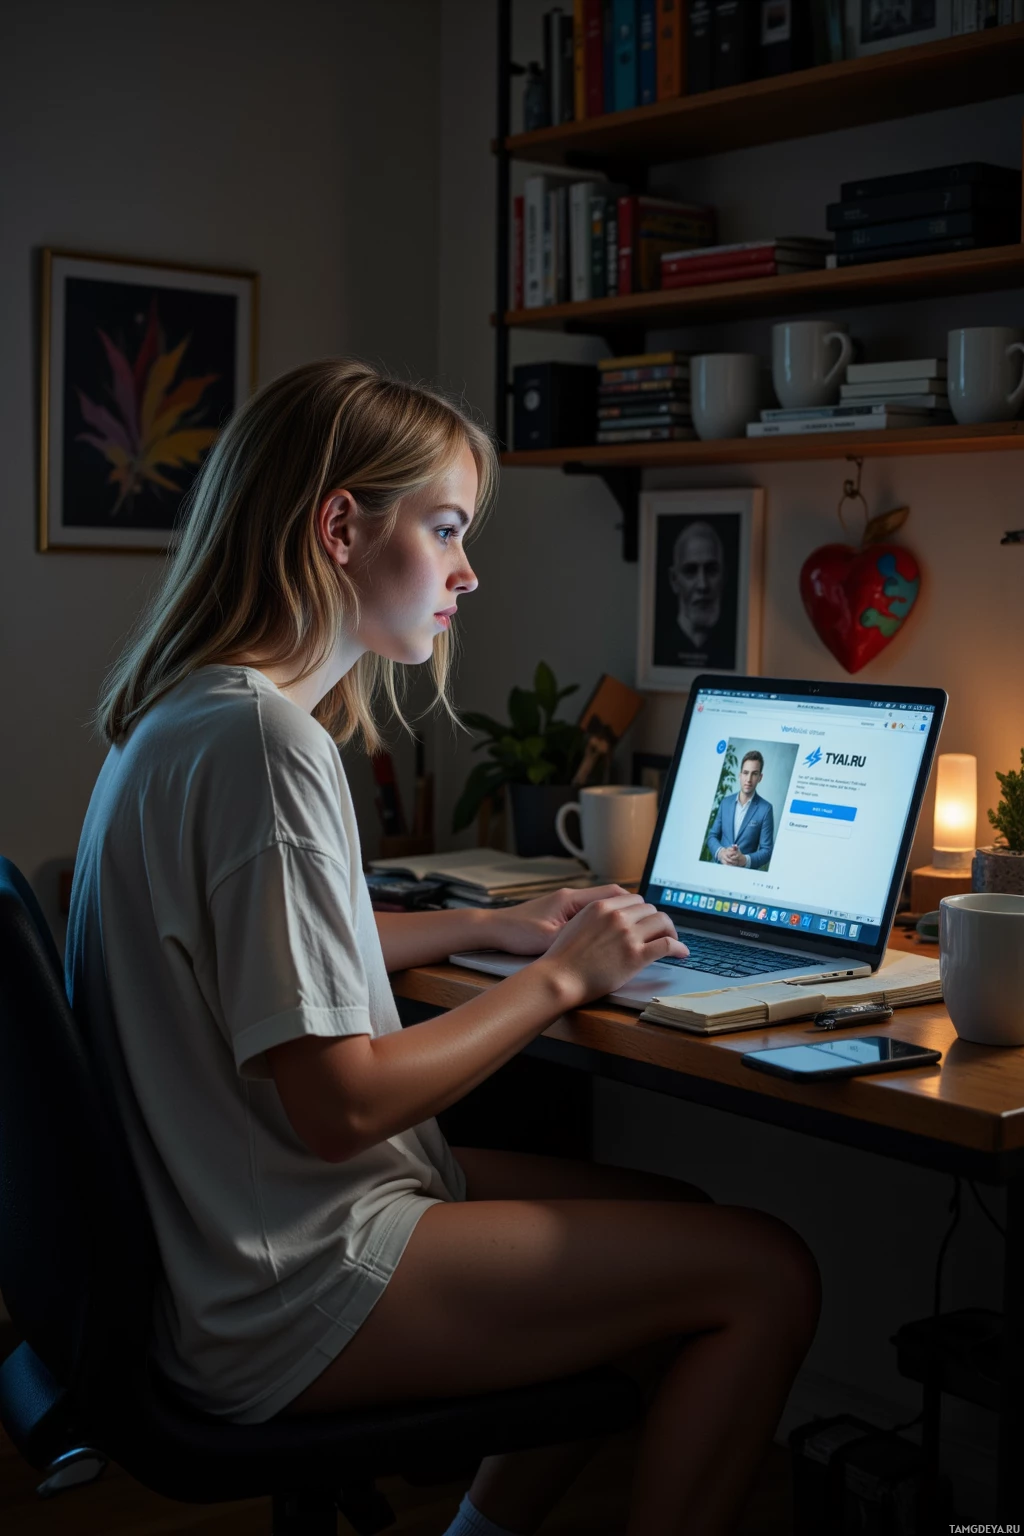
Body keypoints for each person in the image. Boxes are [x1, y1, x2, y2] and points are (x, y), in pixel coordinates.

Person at [67, 360, 819, 1536]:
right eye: (447, 529)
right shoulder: (265, 748)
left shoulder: (190, 716)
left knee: (669, 1208)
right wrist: (563, 979)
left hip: (236, 1243)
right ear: (339, 528)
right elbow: (339, 1104)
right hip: (290, 1279)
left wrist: (487, 926)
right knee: (762, 1273)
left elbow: (262, 947)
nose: (467, 572)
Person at [707, 750, 774, 871]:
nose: (748, 779)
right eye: (745, 773)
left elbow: (767, 851)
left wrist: (744, 860)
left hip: (744, 877)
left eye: (754, 774)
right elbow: (712, 836)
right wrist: (721, 853)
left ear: (760, 777)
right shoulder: (725, 802)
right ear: (740, 775)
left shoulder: (766, 809)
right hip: (718, 871)